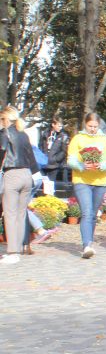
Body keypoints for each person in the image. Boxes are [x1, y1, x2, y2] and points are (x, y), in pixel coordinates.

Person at [67, 112, 106, 259]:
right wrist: (82, 165)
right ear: (85, 124)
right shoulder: (78, 139)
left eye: (95, 126)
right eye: (90, 126)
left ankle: (90, 241)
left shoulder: (104, 139)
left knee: (93, 214)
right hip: (82, 180)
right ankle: (86, 245)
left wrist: (101, 165)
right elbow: (71, 159)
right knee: (87, 212)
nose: (93, 129)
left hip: (99, 181)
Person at [0, 106, 39, 265]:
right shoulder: (24, 135)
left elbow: (2, 150)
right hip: (27, 175)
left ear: (5, 119)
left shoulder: (5, 133)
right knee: (21, 214)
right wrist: (36, 175)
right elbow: (31, 155)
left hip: (12, 174)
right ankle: (21, 246)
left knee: (10, 214)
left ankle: (12, 252)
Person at [38, 117, 69, 184]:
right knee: (42, 184)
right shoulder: (45, 134)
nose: (60, 128)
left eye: (61, 126)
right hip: (44, 163)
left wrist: (55, 159)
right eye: (58, 126)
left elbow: (64, 151)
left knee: (50, 185)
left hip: (54, 165)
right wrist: (42, 157)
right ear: (53, 125)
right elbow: (40, 146)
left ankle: (50, 194)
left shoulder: (63, 136)